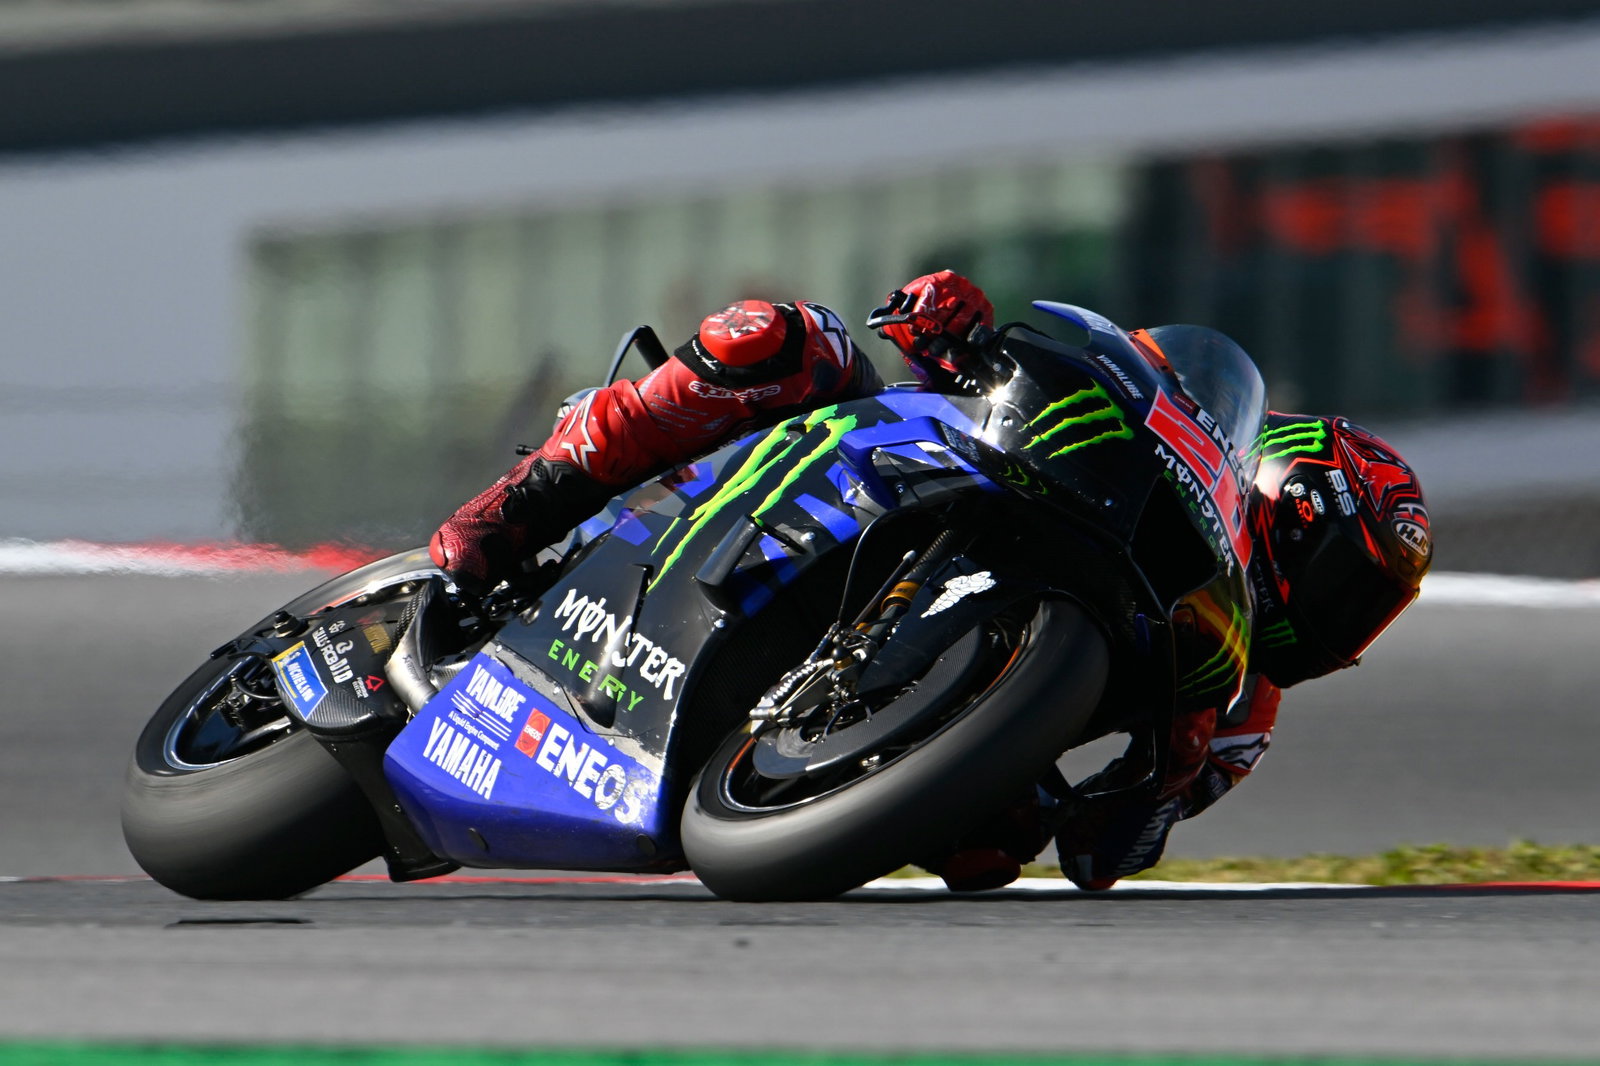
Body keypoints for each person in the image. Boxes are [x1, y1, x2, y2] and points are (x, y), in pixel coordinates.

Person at [429, 271, 1433, 891]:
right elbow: (1031, 366)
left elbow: (1106, 854)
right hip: (915, 470)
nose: (1346, 621)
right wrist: (949, 327)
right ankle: (523, 502)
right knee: (788, 339)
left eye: (1369, 608)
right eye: (1348, 580)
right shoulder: (1163, 442)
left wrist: (1155, 785)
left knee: (994, 852)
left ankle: (799, 749)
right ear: (1287, 496)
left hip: (953, 710)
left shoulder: (1243, 713)